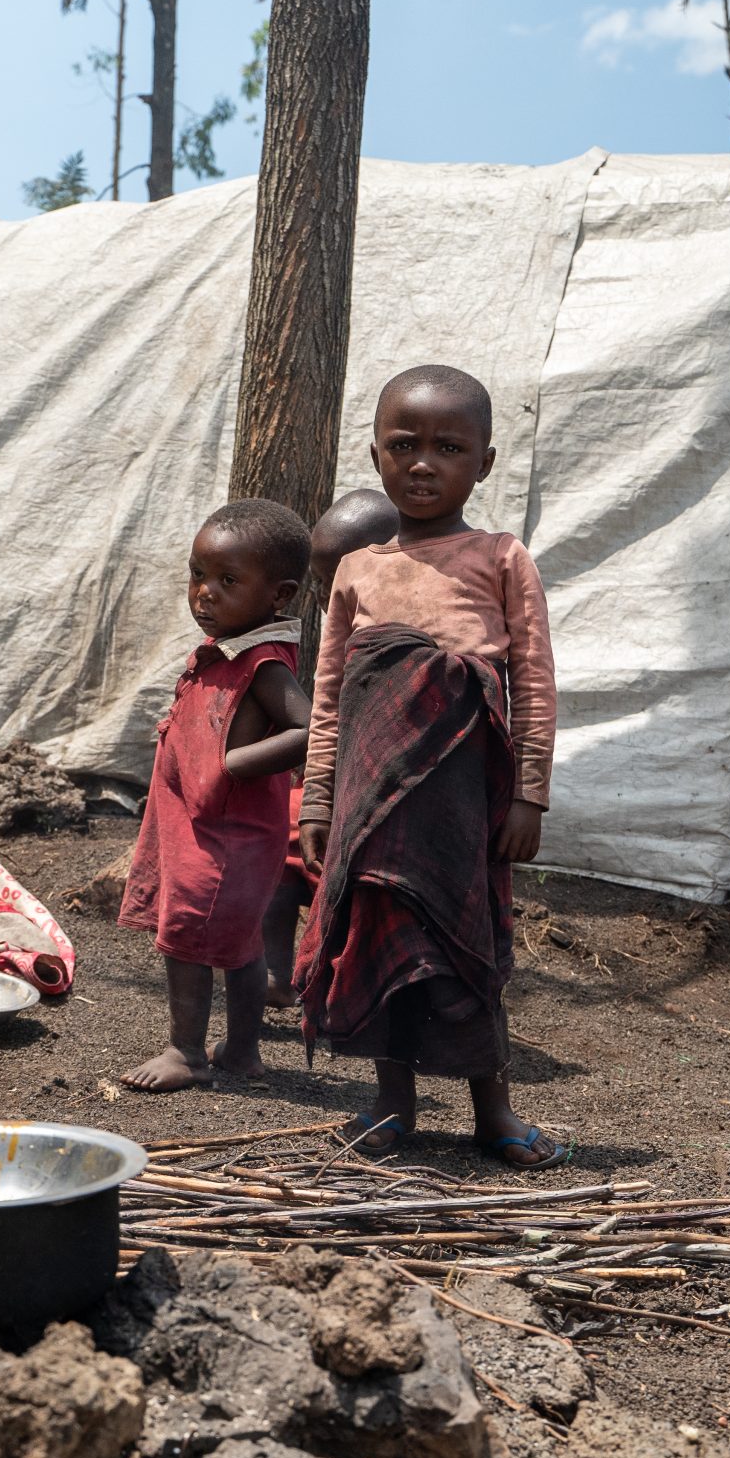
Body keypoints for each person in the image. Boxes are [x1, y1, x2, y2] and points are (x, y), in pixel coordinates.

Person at [298, 366, 565, 1171]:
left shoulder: (502, 556)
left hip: (464, 797)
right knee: (383, 939)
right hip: (371, 801)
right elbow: (330, 695)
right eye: (403, 445)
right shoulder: (358, 570)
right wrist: (317, 798)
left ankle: (495, 1111)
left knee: (468, 942)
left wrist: (529, 793)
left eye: (448, 447)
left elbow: (535, 679)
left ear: (483, 462)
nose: (423, 463)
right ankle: (392, 1103)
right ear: (375, 455)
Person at [118, 499, 312, 1092]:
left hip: (227, 833)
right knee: (236, 941)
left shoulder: (264, 662)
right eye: (198, 575)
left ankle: (188, 1053)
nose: (205, 592)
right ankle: (243, 1051)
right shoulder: (228, 648)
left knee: (187, 938)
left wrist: (232, 765)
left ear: (278, 595)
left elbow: (314, 730)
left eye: (228, 581)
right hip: (205, 824)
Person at [261, 486, 399, 1009]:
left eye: (336, 581)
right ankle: (276, 973)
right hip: (327, 799)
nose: (324, 597)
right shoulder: (339, 634)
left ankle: (338, 983)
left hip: (377, 810)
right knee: (275, 844)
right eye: (320, 583)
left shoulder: (416, 636)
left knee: (348, 885)